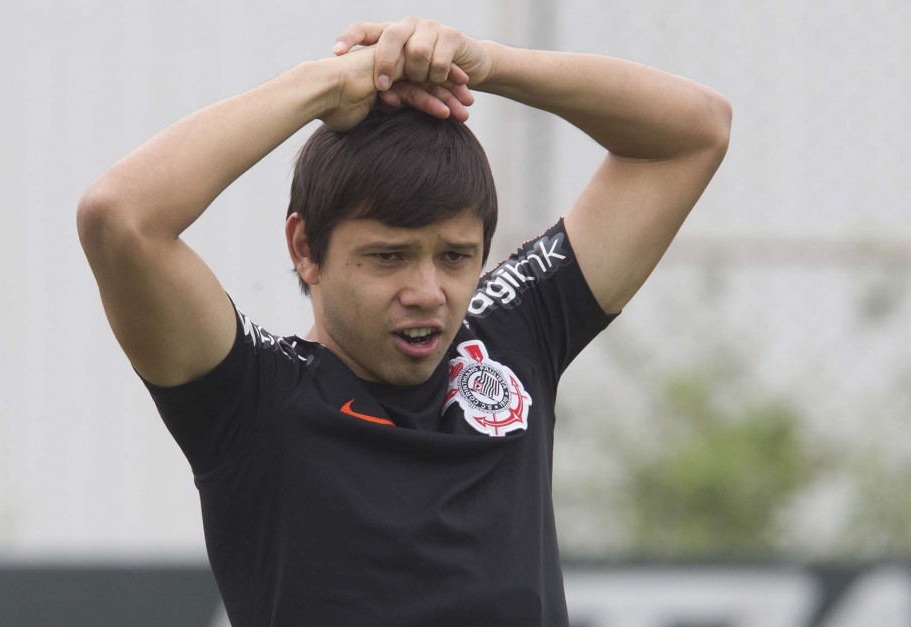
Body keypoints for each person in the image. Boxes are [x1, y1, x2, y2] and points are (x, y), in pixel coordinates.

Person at [77, 17, 731, 627]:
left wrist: (487, 64)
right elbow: (120, 216)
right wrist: (326, 84)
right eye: (387, 257)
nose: (427, 292)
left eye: (455, 257)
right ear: (305, 248)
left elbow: (691, 133)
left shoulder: (512, 332)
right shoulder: (252, 398)